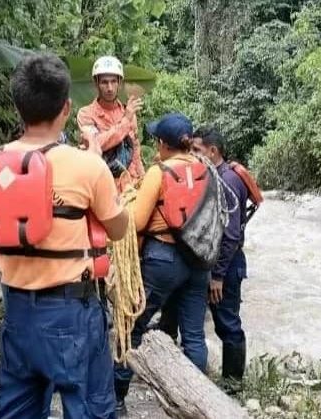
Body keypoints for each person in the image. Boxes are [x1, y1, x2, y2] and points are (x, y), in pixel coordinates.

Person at [0, 53, 128, 419]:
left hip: (18, 313)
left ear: (17, 106)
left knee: (16, 410)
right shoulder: (88, 166)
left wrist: (20, 252)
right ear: (67, 107)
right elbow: (118, 229)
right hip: (73, 315)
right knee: (90, 410)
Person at [114, 113, 211, 413]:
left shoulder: (160, 172)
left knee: (132, 328)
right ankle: (199, 404)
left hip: (162, 260)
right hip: (199, 260)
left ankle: (116, 399)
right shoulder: (205, 169)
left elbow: (138, 221)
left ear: (162, 143)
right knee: (194, 335)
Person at [157, 126, 250, 391]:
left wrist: (218, 275)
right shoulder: (210, 175)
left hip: (227, 265)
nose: (193, 155)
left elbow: (231, 235)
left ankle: (233, 384)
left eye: (197, 150)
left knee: (227, 322)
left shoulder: (227, 180)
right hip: (212, 262)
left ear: (213, 151)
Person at [77, 55, 145, 189]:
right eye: (104, 82)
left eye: (114, 81)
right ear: (96, 83)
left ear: (120, 83)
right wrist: (125, 121)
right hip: (102, 186)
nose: (109, 88)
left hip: (130, 185)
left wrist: (143, 178)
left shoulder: (128, 112)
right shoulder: (86, 114)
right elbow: (96, 144)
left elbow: (136, 149)